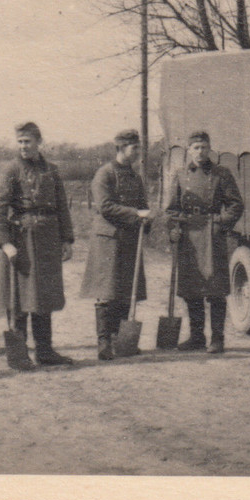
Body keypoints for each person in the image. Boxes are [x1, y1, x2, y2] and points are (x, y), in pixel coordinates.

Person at [0, 122, 75, 367]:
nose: (23, 146)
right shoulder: (11, 170)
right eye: (20, 142)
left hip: (48, 241)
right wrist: (4, 243)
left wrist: (67, 239)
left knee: (43, 297)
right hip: (21, 241)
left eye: (28, 141)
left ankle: (45, 351)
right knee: (20, 298)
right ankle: (19, 353)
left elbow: (61, 207)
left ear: (39, 142)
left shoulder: (52, 171)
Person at [166, 131, 244, 353]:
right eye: (196, 148)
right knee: (192, 288)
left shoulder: (222, 174)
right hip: (189, 236)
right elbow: (171, 210)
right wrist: (174, 230)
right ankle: (197, 337)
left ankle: (217, 339)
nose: (200, 152)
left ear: (210, 149)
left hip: (212, 235)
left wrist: (220, 222)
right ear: (189, 150)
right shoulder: (181, 175)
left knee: (215, 288)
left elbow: (236, 205)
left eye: (204, 147)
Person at [81, 129, 152, 360]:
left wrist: (147, 218)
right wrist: (136, 213)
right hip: (108, 240)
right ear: (121, 148)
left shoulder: (134, 176)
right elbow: (106, 206)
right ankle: (104, 343)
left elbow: (143, 203)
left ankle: (120, 341)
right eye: (134, 148)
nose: (138, 152)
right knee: (106, 291)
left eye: (138, 147)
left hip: (130, 239)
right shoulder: (105, 174)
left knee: (125, 291)